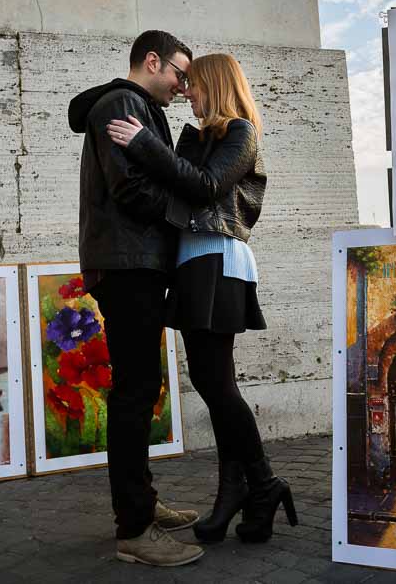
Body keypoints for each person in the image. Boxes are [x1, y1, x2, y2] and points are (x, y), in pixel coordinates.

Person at [106, 53, 298, 545]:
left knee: (215, 383)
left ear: (214, 84)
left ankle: (262, 483)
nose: (186, 92)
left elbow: (208, 187)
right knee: (214, 383)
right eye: (183, 82)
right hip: (193, 263)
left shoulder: (241, 132)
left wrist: (146, 144)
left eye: (193, 84)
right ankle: (239, 491)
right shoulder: (196, 137)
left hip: (220, 259)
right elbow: (177, 183)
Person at [68, 30, 204, 567]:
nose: (182, 85)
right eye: (179, 73)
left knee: (140, 385)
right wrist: (186, 216)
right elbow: (132, 189)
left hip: (132, 261)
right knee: (134, 390)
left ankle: (142, 504)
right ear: (153, 61)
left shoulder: (132, 104)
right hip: (129, 263)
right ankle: (134, 528)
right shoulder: (124, 103)